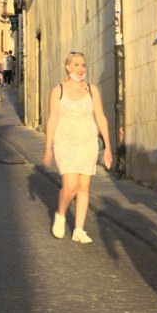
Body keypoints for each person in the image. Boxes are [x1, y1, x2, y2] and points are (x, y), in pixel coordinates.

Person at [44, 52, 113, 244]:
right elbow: (52, 119)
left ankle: (79, 229)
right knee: (70, 186)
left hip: (88, 142)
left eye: (83, 65)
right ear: (67, 67)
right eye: (76, 65)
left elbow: (100, 117)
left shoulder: (92, 90)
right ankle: (60, 213)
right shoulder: (58, 90)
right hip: (65, 142)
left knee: (84, 186)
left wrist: (107, 146)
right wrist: (48, 147)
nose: (80, 69)